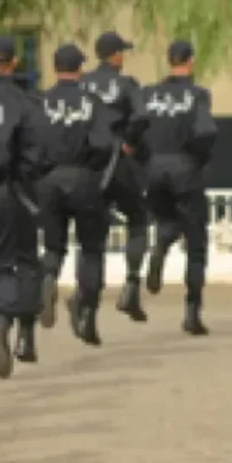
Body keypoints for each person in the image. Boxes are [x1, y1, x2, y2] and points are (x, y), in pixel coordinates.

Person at [0, 36, 53, 379]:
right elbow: (40, 153)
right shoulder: (27, 102)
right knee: (24, 261)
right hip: (16, 193)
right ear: (14, 63)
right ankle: (25, 337)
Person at [41, 44, 123, 345]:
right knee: (90, 248)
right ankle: (86, 311)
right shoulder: (92, 103)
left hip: (49, 179)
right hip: (83, 178)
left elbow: (30, 144)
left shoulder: (40, 102)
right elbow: (103, 145)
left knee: (53, 245)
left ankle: (48, 276)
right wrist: (93, 171)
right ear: (79, 69)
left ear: (55, 68)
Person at [141, 40, 217, 335]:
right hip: (185, 169)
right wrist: (200, 160)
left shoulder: (148, 94)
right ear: (191, 61)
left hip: (154, 171)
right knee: (196, 243)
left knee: (168, 222)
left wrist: (144, 159)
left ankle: (160, 246)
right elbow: (206, 133)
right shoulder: (197, 95)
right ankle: (192, 313)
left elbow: (135, 129)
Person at [80, 31, 152, 321]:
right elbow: (142, 116)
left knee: (92, 236)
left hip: (88, 165)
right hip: (117, 162)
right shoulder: (126, 84)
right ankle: (131, 285)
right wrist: (130, 143)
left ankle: (87, 306)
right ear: (116, 56)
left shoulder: (82, 83)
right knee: (138, 218)